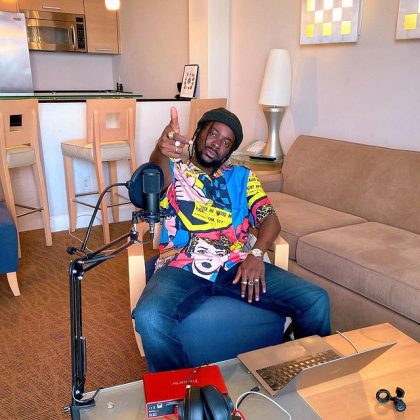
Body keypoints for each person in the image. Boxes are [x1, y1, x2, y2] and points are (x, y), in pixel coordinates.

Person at [133, 106, 330, 372]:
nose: (217, 144)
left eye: (226, 142)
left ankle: (311, 379)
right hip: (182, 264)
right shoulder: (175, 170)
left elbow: (270, 220)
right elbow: (155, 177)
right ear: (199, 132)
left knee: (316, 299)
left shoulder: (243, 177)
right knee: (149, 315)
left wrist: (257, 253)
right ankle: (184, 389)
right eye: (213, 133)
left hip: (237, 265)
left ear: (229, 151)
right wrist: (161, 148)